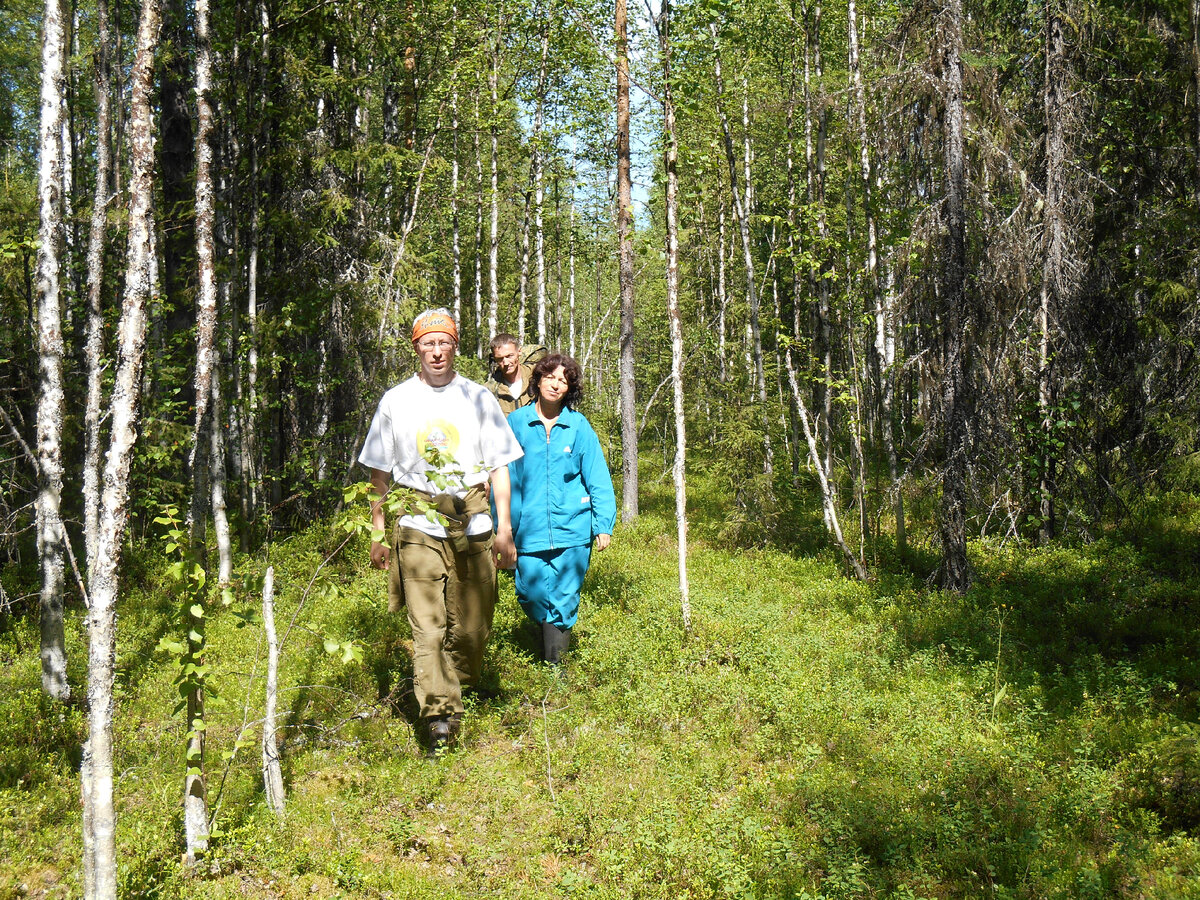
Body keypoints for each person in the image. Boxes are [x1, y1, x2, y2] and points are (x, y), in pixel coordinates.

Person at [359, 308, 523, 751]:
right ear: (416, 347)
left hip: (472, 518)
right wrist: (378, 533)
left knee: (471, 629)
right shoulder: (396, 400)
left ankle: (455, 681)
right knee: (427, 629)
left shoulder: (478, 398)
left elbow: (501, 468)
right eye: (427, 343)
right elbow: (377, 474)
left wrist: (504, 529)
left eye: (444, 342)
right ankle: (439, 718)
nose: (436, 351)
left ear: (455, 346)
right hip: (417, 521)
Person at [505, 353, 616, 663]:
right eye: (551, 377)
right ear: (538, 380)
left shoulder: (578, 426)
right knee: (530, 594)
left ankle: (556, 668)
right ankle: (545, 637)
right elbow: (504, 480)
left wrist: (602, 524)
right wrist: (503, 526)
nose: (556, 384)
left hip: (573, 528)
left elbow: (597, 476)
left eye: (563, 380)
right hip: (529, 529)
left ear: (570, 389)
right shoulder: (516, 423)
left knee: (564, 598)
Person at [484, 333, 535, 415]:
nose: (506, 363)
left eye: (509, 356)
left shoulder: (537, 377)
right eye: (500, 359)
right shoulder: (490, 390)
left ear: (519, 352)